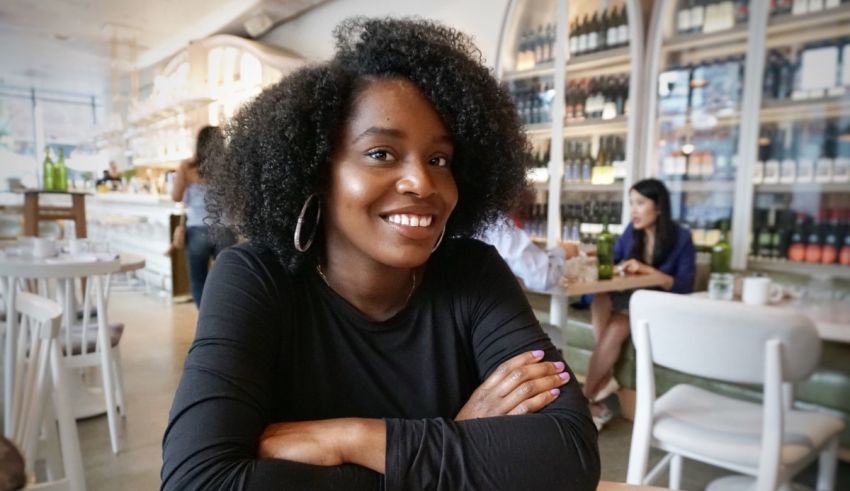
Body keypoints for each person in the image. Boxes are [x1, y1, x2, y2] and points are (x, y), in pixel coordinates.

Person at [162, 17, 599, 491]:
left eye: (439, 160)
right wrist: (460, 441)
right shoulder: (256, 278)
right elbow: (197, 482)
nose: (422, 182)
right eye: (381, 153)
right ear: (316, 169)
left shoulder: (471, 273)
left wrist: (349, 439)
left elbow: (569, 455)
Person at [584, 178, 696, 427]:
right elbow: (613, 260)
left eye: (640, 203)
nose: (633, 210)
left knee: (615, 328)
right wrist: (597, 257)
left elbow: (681, 286)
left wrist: (645, 270)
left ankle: (584, 398)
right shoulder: (631, 233)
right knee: (600, 297)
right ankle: (606, 378)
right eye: (631, 203)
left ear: (658, 207)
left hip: (660, 304)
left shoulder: (681, 239)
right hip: (631, 299)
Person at [170, 126, 236, 307]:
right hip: (225, 228)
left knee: (199, 279)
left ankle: (205, 321)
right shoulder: (229, 166)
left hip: (198, 228)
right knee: (227, 278)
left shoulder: (187, 167)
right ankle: (226, 318)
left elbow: (176, 196)